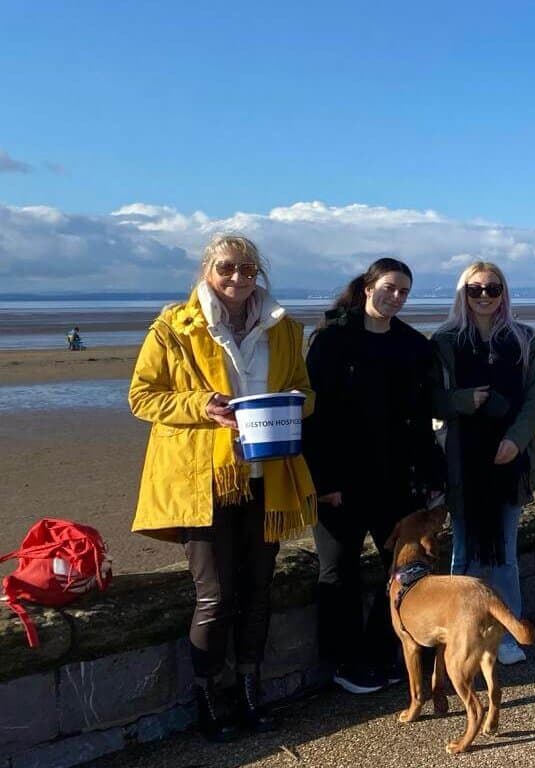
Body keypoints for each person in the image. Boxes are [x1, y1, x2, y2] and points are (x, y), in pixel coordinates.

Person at [128, 234, 316, 741]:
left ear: (261, 273)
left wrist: (294, 403)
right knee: (215, 595)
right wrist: (200, 407)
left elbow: (305, 390)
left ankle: (251, 693)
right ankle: (210, 700)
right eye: (227, 268)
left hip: (267, 475)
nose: (238, 278)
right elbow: (142, 396)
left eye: (248, 269)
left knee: (258, 591)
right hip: (201, 479)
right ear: (207, 270)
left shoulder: (284, 329)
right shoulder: (174, 327)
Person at [303, 258, 446, 694]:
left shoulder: (413, 346)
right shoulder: (331, 339)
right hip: (339, 484)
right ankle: (345, 663)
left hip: (396, 483)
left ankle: (383, 654)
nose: (396, 297)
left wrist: (432, 477)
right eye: (389, 288)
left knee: (402, 574)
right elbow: (313, 417)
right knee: (338, 573)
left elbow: (422, 423)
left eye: (404, 291)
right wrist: (323, 482)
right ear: (368, 287)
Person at [433, 262, 535, 663]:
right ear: (462, 293)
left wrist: (515, 441)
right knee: (464, 552)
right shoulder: (444, 341)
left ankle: (505, 633)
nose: (484, 296)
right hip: (463, 460)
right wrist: (464, 400)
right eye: (475, 289)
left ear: (504, 292)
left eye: (492, 288)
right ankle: (461, 637)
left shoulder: (524, 339)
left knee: (504, 551)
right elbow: (430, 398)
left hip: (509, 460)